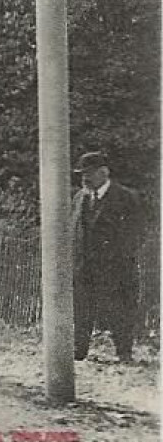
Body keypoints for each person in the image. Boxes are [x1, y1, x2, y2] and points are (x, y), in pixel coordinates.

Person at [72, 150, 144, 364]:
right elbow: (73, 230)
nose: (84, 178)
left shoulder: (126, 198)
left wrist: (117, 257)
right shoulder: (79, 198)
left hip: (116, 267)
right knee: (82, 309)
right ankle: (79, 351)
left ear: (104, 173)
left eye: (89, 173)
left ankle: (124, 352)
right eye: (82, 174)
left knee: (120, 309)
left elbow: (137, 232)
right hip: (84, 267)